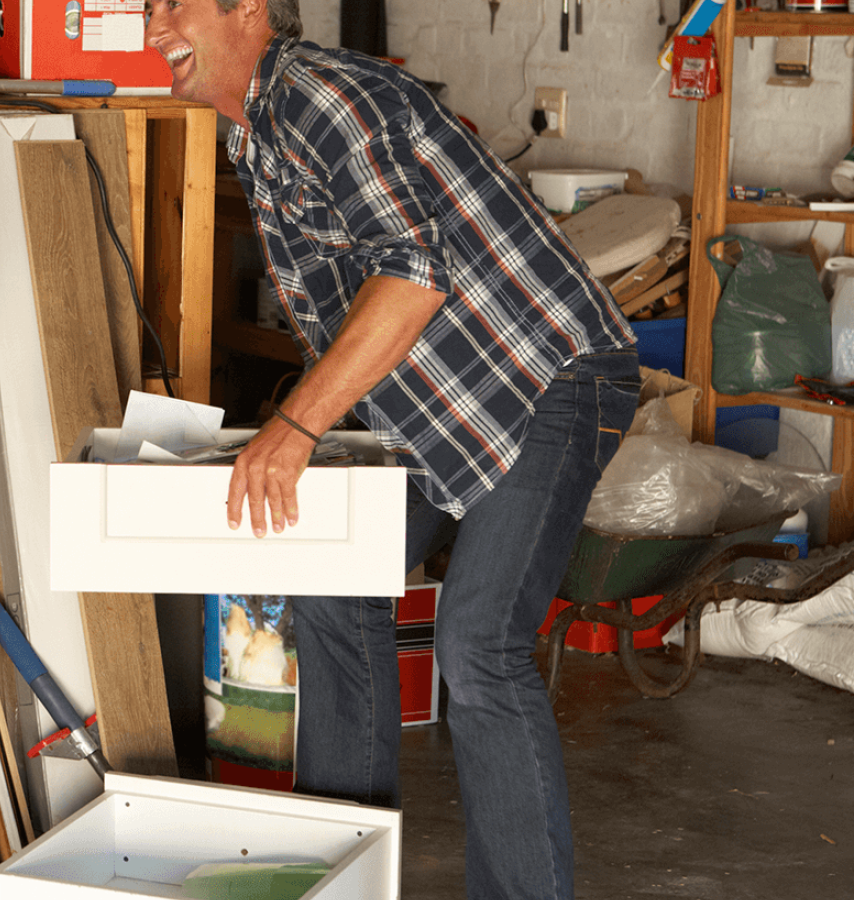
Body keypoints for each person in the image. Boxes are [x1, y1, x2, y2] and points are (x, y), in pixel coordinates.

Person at [145, 2, 638, 899]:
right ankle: (346, 880)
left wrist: (296, 429)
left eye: (174, 3)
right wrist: (295, 425)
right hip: (432, 403)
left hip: (544, 374)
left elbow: (412, 275)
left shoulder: (319, 98)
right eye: (147, 8)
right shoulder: (252, 134)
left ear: (248, 9)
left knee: (479, 643)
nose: (154, 30)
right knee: (334, 590)